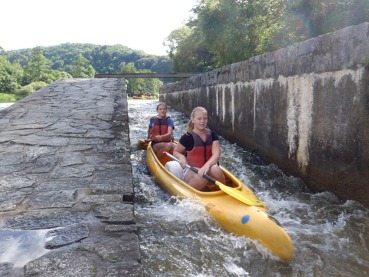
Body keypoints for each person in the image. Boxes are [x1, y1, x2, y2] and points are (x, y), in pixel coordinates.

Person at [173, 106, 226, 191]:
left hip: (208, 167)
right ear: (193, 120)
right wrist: (182, 157)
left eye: (205, 118)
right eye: (199, 119)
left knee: (215, 169)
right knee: (202, 177)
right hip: (192, 170)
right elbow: (176, 152)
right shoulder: (187, 137)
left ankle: (221, 192)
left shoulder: (212, 135)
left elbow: (216, 155)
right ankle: (189, 192)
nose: (202, 121)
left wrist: (206, 166)